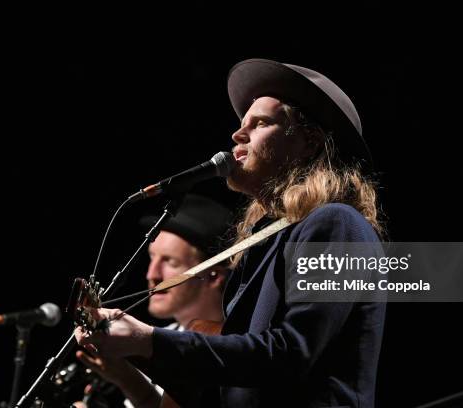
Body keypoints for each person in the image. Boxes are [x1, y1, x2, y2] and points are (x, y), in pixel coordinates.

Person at [76, 58, 387, 408]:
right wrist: (131, 353)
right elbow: (232, 385)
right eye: (242, 124)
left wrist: (150, 340)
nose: (238, 135)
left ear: (309, 142)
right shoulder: (265, 239)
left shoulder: (336, 224)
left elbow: (291, 354)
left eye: (260, 123)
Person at [74, 194, 233, 408]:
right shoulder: (150, 342)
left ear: (213, 276)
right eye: (152, 258)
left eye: (170, 261)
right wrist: (126, 377)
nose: (152, 274)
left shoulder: (235, 348)